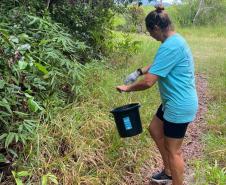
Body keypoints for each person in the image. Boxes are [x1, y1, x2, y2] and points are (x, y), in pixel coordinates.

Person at [116, 6, 198, 185]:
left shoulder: (170, 46)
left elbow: (148, 82)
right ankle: (168, 172)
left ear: (156, 28)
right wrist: (138, 71)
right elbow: (159, 64)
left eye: (150, 32)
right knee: (155, 128)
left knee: (173, 150)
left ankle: (176, 181)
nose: (151, 36)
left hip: (179, 104)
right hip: (172, 101)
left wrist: (127, 88)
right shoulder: (173, 41)